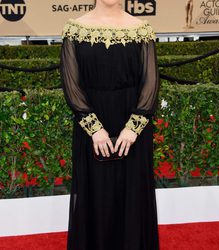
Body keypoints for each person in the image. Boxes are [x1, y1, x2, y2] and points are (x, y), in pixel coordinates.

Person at [60, 0, 160, 249]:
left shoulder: (141, 29)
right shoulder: (75, 30)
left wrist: (133, 127)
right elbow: (71, 85)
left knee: (132, 195)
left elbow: (151, 82)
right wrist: (94, 128)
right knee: (96, 195)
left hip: (133, 129)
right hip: (91, 128)